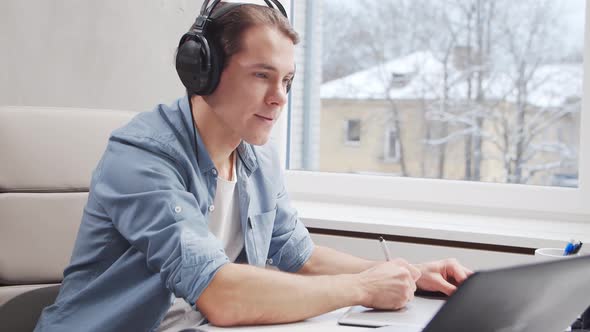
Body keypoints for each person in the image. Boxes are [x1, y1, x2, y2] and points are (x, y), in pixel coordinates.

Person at [34, 2, 472, 331]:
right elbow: (221, 295)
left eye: (286, 80)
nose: (279, 97)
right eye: (262, 75)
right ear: (202, 71)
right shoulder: (142, 156)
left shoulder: (256, 159)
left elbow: (300, 257)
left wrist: (411, 274)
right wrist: (362, 288)